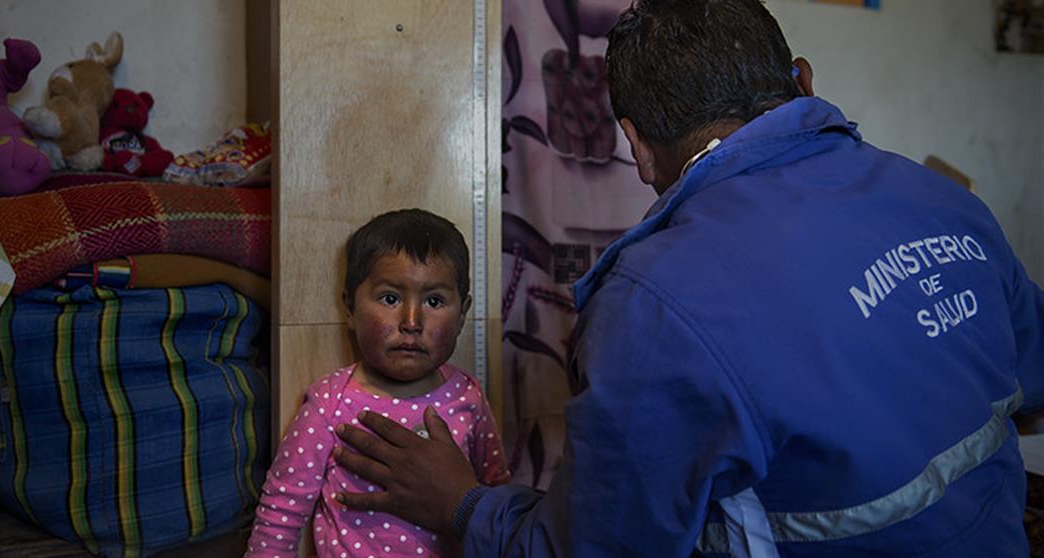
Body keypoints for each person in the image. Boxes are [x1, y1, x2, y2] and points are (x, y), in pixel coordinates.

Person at [333, 0, 1044, 556]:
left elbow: (594, 549)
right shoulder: (940, 197)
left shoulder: (654, 303)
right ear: (802, 81)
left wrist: (461, 503)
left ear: (637, 146)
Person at [245, 209, 509, 557]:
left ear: (462, 315)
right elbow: (282, 512)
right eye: (390, 298)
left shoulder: (469, 396)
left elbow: (495, 497)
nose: (411, 322)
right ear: (350, 308)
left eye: (434, 301)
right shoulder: (330, 403)